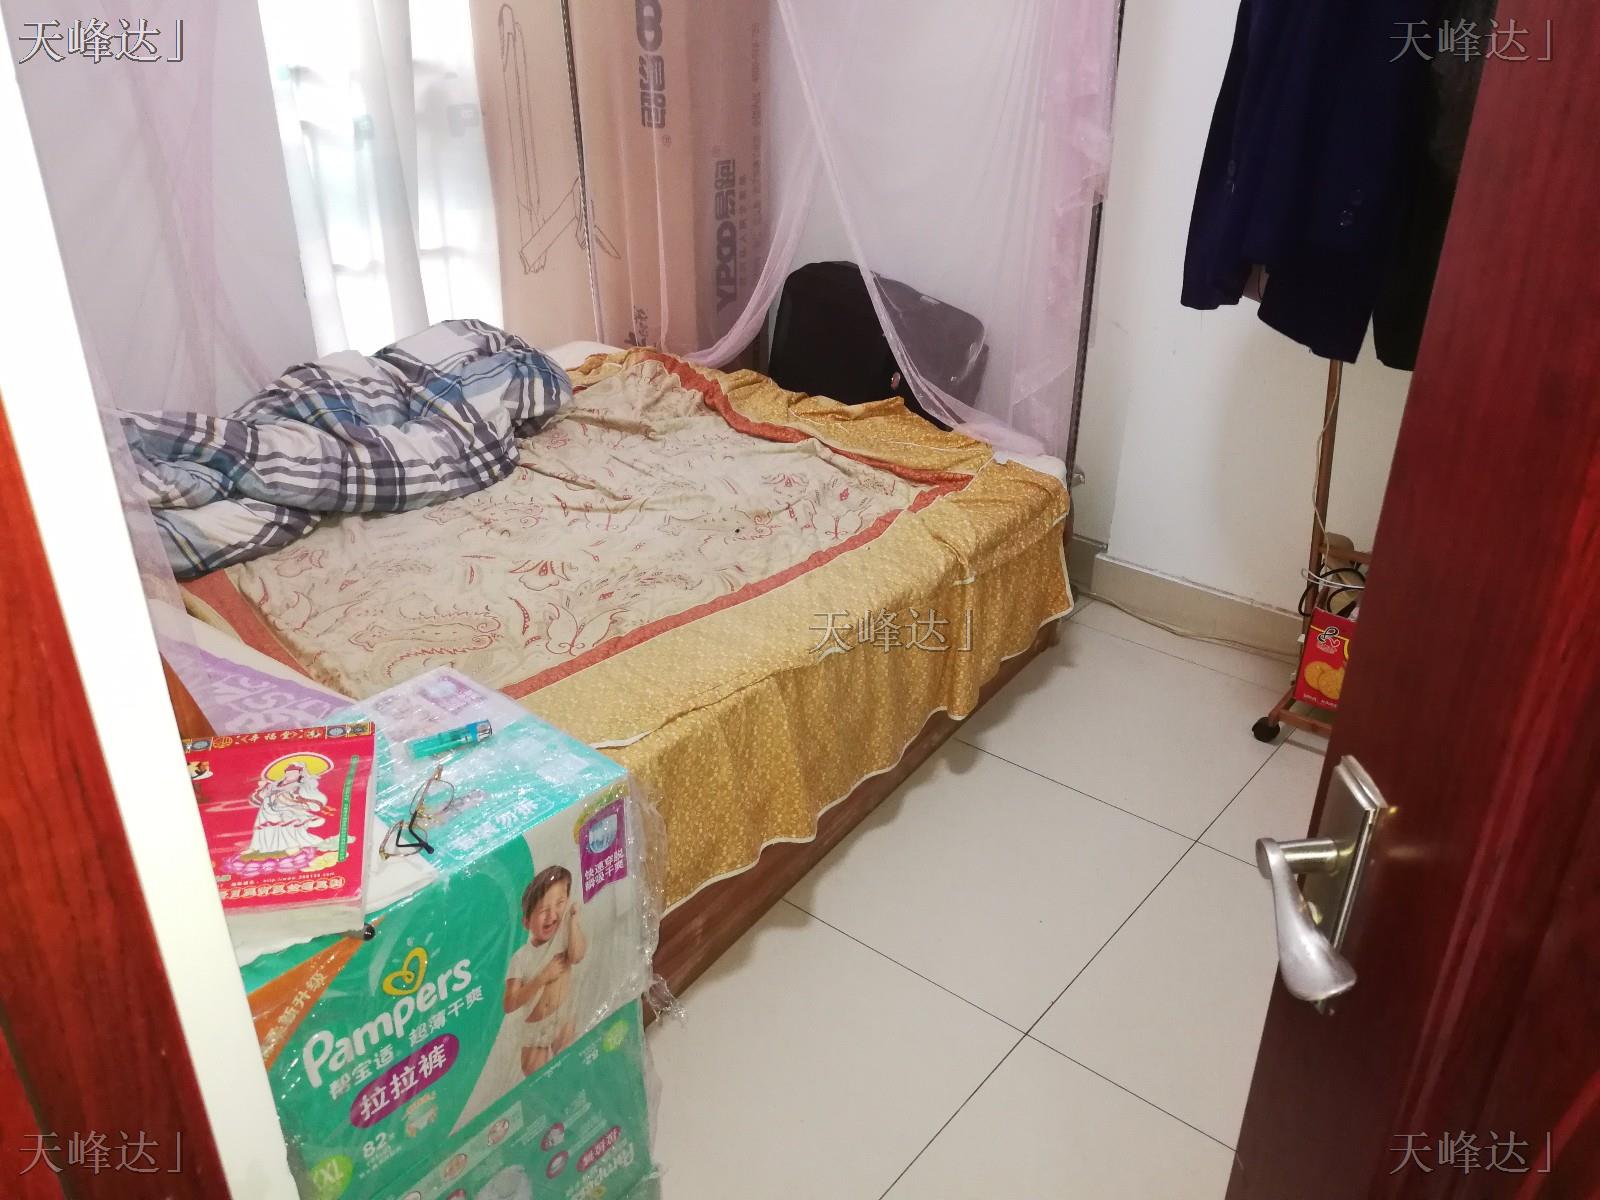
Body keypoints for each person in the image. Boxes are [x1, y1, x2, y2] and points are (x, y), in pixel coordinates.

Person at [503, 865, 587, 1073]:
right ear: (526, 922)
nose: (552, 915)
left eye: (559, 903)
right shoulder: (520, 957)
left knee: (569, 1065)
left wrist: (573, 921)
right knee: (537, 1075)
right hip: (535, 1030)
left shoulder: (565, 935)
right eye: (542, 910)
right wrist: (542, 977)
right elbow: (510, 1004)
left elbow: (577, 956)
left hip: (563, 1017)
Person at [240, 761, 327, 862]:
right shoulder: (275, 784)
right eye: (288, 772)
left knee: (287, 820)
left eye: (294, 773)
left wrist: (295, 795)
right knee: (263, 825)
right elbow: (260, 796)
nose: (290, 775)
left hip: (289, 808)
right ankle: (257, 846)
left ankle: (291, 845)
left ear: (300, 774)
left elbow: (307, 795)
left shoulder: (300, 785)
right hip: (268, 808)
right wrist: (263, 787)